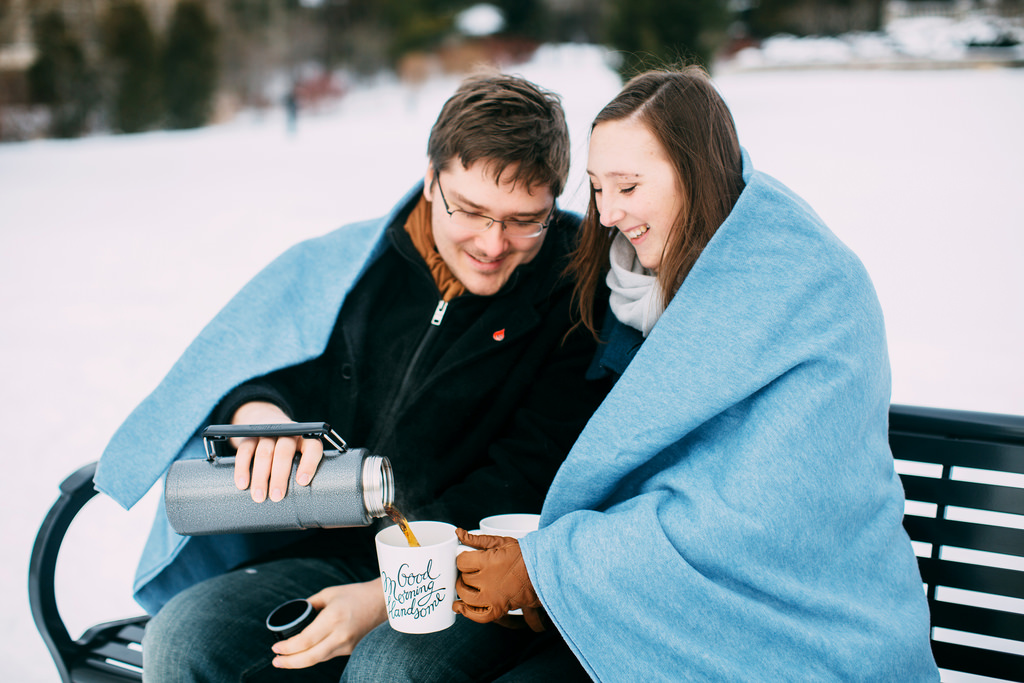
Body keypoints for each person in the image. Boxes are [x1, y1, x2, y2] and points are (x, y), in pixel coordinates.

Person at [347, 67, 941, 680]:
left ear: (695, 174)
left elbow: (761, 515)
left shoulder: (804, 290)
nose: (606, 216)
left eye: (628, 186)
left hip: (786, 625)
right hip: (637, 602)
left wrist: (544, 568)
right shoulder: (630, 289)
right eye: (598, 190)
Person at [93, 72, 610, 682]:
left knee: (389, 672)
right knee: (184, 638)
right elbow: (276, 364)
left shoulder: (573, 288)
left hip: (473, 567)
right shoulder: (359, 267)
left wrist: (386, 591)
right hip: (329, 547)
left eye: (525, 220)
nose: (493, 243)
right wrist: (260, 411)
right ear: (430, 179)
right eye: (470, 210)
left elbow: (530, 471)